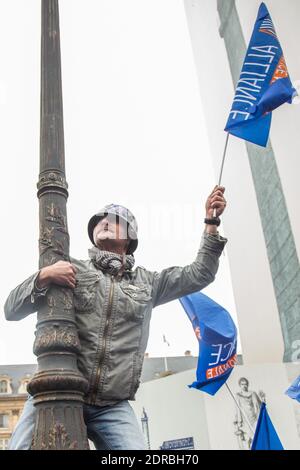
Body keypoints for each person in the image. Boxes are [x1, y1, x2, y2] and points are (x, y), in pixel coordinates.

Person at [4, 186, 227, 450]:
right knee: (18, 447)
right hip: (57, 388)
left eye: (114, 219)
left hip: (112, 405)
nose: (104, 222)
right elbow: (11, 309)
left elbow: (200, 273)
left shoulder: (149, 282)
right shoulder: (68, 269)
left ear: (130, 235)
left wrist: (211, 223)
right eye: (99, 221)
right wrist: (43, 276)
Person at [234, 377, 263, 450]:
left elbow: (259, 405)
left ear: (248, 385)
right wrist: (238, 421)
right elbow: (238, 409)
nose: (244, 386)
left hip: (254, 418)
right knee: (247, 439)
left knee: (256, 437)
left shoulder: (253, 393)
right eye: (242, 384)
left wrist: (263, 398)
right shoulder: (238, 396)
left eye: (245, 384)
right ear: (240, 385)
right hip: (245, 420)